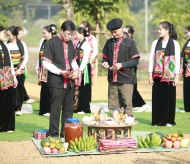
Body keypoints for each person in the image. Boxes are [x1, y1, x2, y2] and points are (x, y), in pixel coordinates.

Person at [42, 20, 79, 137]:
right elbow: (45, 63)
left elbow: (73, 61)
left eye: (71, 34)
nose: (69, 36)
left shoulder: (71, 44)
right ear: (61, 31)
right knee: (55, 109)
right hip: (56, 82)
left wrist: (76, 71)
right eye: (67, 33)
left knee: (68, 110)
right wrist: (60, 72)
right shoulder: (51, 43)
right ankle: (53, 134)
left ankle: (66, 133)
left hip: (69, 83)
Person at [101, 18, 140, 117]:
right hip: (112, 80)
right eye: (112, 32)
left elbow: (135, 61)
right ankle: (114, 128)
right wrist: (105, 63)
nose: (114, 34)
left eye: (116, 32)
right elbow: (104, 58)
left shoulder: (130, 42)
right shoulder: (109, 42)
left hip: (126, 79)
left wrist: (121, 65)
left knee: (127, 104)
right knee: (112, 105)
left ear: (121, 29)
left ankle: (127, 129)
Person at [148, 21, 180, 126]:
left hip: (170, 77)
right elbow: (151, 60)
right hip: (157, 76)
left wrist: (177, 76)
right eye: (158, 29)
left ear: (167, 30)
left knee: (169, 98)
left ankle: (169, 120)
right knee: (157, 98)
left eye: (160, 29)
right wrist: (150, 75)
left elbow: (177, 62)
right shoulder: (155, 43)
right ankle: (157, 120)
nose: (158, 31)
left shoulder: (175, 44)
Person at [122, 25, 150, 112]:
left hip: (131, 69)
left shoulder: (131, 42)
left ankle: (142, 104)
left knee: (132, 87)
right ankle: (129, 104)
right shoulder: (125, 42)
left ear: (130, 33)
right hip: (125, 69)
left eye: (125, 33)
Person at [5, 25, 29, 116]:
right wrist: (12, 70)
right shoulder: (6, 45)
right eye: (7, 35)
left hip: (20, 70)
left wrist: (20, 69)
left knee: (19, 89)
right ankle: (10, 108)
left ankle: (18, 108)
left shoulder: (22, 44)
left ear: (14, 35)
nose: (8, 37)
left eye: (9, 35)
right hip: (9, 70)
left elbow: (26, 57)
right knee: (10, 90)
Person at [0, 26, 18, 132]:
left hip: (6, 76)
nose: (4, 35)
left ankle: (7, 125)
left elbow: (10, 62)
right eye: (2, 33)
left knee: (7, 101)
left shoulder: (4, 45)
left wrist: (14, 76)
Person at [74, 27, 92, 113]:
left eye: (77, 33)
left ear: (82, 34)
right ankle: (78, 106)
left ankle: (84, 108)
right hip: (79, 67)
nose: (76, 35)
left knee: (85, 87)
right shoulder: (79, 43)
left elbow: (85, 58)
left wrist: (80, 69)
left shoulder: (86, 44)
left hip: (84, 68)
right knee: (79, 87)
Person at [36, 26, 53, 116]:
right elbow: (40, 55)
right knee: (44, 89)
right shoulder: (43, 42)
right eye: (42, 33)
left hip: (51, 70)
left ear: (50, 33)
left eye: (45, 33)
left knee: (50, 89)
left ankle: (49, 109)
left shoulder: (53, 42)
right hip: (43, 69)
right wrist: (38, 67)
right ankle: (43, 110)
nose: (43, 35)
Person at [16, 26, 35, 104]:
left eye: (22, 34)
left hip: (21, 68)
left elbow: (26, 57)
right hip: (13, 68)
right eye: (19, 34)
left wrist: (21, 67)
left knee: (20, 83)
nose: (21, 36)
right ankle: (25, 97)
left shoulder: (23, 44)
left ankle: (24, 98)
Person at [180, 25, 190, 112]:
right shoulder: (187, 43)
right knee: (186, 88)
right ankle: (187, 108)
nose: (186, 34)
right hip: (186, 71)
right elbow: (182, 56)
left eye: (187, 32)